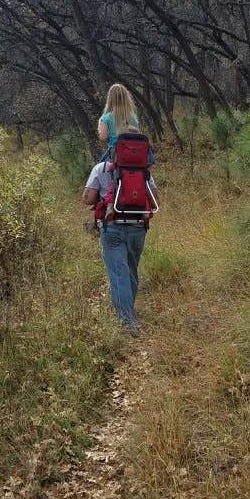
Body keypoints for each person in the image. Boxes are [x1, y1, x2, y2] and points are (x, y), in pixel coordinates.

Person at [83, 160, 158, 334]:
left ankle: (127, 322)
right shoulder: (142, 169)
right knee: (131, 270)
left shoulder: (101, 168)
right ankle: (128, 312)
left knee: (118, 273)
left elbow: (88, 199)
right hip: (138, 227)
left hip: (112, 228)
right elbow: (155, 199)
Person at [98, 83, 138, 156]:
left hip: (115, 155)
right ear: (126, 98)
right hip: (133, 153)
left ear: (110, 99)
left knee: (99, 167)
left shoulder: (106, 118)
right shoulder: (133, 117)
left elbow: (103, 137)